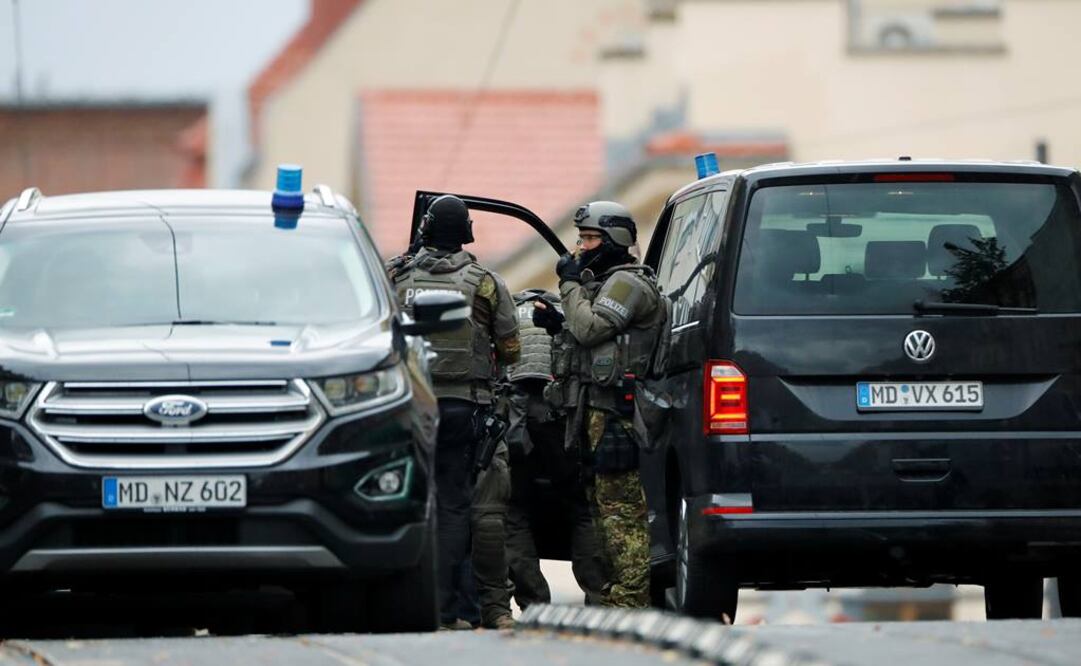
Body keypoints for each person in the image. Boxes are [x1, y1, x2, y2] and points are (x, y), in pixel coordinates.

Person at [391, 194, 519, 630]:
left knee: (407, 500)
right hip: (465, 407)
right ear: (466, 233)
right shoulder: (484, 282)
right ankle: (449, 609)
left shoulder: (397, 275)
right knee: (455, 505)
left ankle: (409, 602)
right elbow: (512, 348)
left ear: (424, 230)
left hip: (407, 406)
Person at [532, 201, 665, 608]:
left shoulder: (628, 284)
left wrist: (569, 287)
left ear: (614, 241)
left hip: (619, 414)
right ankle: (611, 592)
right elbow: (587, 337)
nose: (580, 248)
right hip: (594, 411)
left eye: (589, 239)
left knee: (621, 509)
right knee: (599, 505)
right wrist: (559, 325)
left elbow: (590, 328)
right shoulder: (607, 284)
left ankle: (631, 598)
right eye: (581, 238)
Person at [503, 289, 606, 609]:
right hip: (557, 417)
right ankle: (597, 595)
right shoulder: (568, 313)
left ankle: (533, 602)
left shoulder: (507, 313)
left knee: (513, 511)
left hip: (514, 419)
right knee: (581, 507)